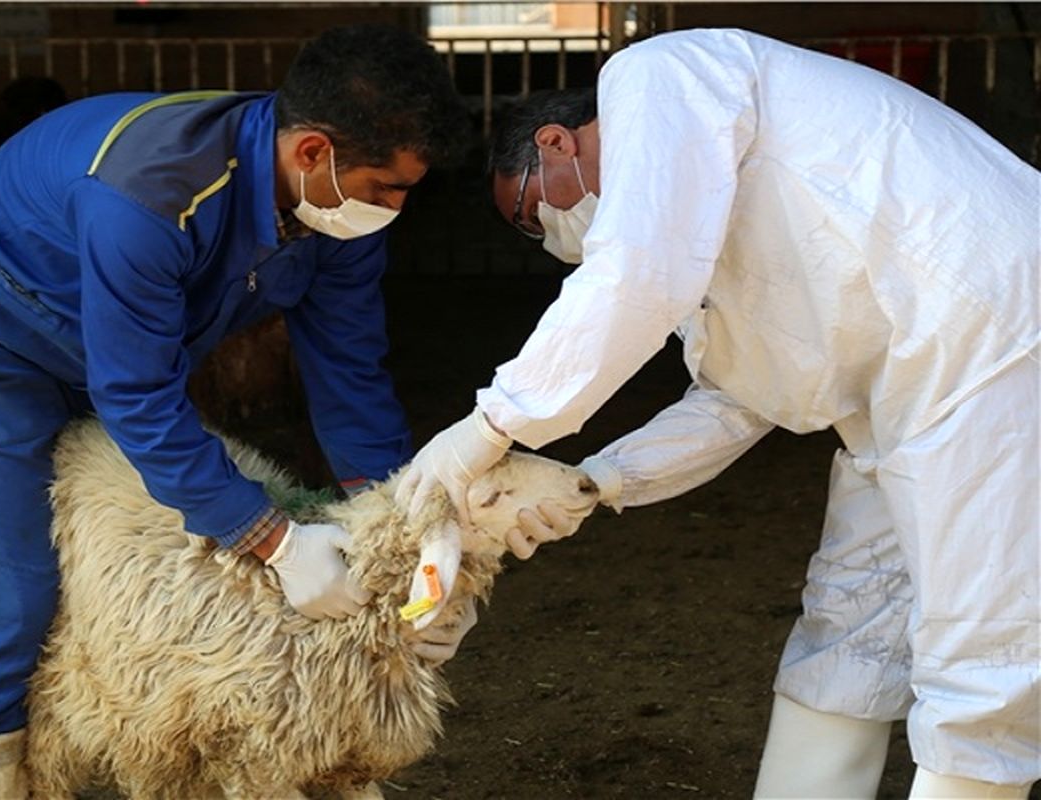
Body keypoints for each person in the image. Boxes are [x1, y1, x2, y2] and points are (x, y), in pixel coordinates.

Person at [397, 27, 1039, 798]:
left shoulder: (659, 77)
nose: (550, 242)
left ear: (558, 141)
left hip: (998, 337)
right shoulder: (696, 249)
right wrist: (591, 482)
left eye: (534, 215)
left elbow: (632, 277)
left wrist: (487, 428)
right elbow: (734, 403)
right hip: (904, 395)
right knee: (848, 623)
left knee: (984, 654)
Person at [0, 24, 477, 798]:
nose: (396, 208)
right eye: (389, 188)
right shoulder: (155, 191)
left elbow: (350, 377)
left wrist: (405, 542)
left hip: (125, 345)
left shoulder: (339, 214)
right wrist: (272, 538)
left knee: (150, 572)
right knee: (10, 584)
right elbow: (137, 397)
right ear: (313, 153)